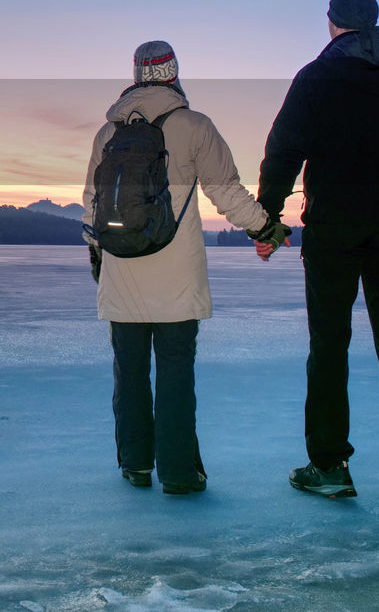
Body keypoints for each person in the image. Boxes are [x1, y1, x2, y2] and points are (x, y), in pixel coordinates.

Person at [255, 0, 379, 499]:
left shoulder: (317, 78)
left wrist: (267, 219)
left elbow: (283, 150)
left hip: (333, 232)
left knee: (329, 346)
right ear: (375, 23)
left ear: (332, 22)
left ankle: (330, 466)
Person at [82, 41, 285, 494]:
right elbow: (226, 192)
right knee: (175, 373)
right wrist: (265, 229)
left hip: (121, 273)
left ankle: (135, 464)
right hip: (175, 278)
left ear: (135, 74)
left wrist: (97, 255)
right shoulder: (194, 126)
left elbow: (91, 205)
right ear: (173, 74)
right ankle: (178, 472)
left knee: (129, 373)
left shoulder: (107, 134)